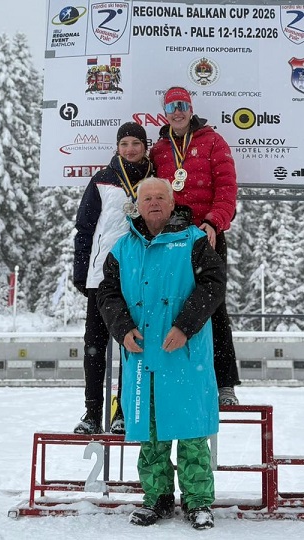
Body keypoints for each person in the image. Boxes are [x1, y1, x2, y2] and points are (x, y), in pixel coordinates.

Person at [97, 177, 224, 530]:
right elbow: (107, 294)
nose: (153, 203)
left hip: (185, 355)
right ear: (138, 205)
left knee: (192, 434)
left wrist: (185, 326)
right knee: (151, 435)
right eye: (147, 198)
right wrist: (122, 328)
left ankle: (199, 502)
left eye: (160, 197)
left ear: (172, 203)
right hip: (143, 356)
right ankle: (157, 499)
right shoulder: (123, 248)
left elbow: (213, 286)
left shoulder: (194, 241)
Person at [150, 86, 241, 406]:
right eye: (171, 106)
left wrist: (214, 222)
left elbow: (227, 189)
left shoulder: (213, 141)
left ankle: (225, 384)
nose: (177, 111)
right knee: (170, 307)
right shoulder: (159, 150)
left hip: (206, 236)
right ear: (165, 112)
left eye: (182, 105)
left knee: (213, 308)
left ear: (191, 109)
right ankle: (175, 378)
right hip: (170, 239)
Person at [73, 122, 152, 435]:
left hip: (137, 276)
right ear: (117, 148)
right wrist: (81, 272)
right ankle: (92, 413)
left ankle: (122, 412)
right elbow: (85, 228)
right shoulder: (102, 179)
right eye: (124, 144)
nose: (130, 149)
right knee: (94, 346)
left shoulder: (155, 180)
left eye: (136, 143)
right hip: (101, 276)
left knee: (131, 345)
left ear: (145, 146)